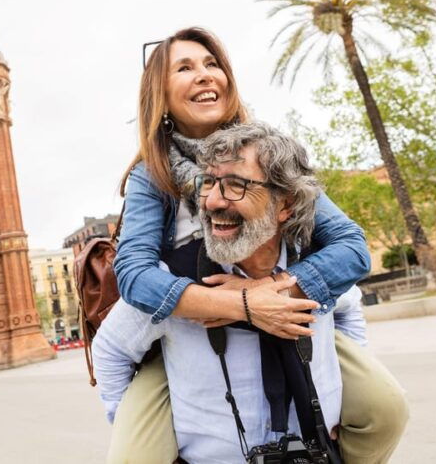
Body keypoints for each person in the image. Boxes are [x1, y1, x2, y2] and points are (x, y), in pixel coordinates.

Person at [109, 28, 407, 463]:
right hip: (189, 331)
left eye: (213, 65)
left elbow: (350, 246)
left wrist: (278, 292)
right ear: (160, 94)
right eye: (185, 68)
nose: (205, 75)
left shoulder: (269, 154)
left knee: (385, 408)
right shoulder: (151, 177)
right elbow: (134, 275)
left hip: (291, 313)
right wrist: (239, 304)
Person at [95, 123, 365, 462]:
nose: (212, 201)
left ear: (286, 205)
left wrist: (346, 404)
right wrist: (139, 432)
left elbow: (350, 309)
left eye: (236, 185)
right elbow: (110, 350)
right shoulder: (172, 279)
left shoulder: (319, 268)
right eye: (208, 182)